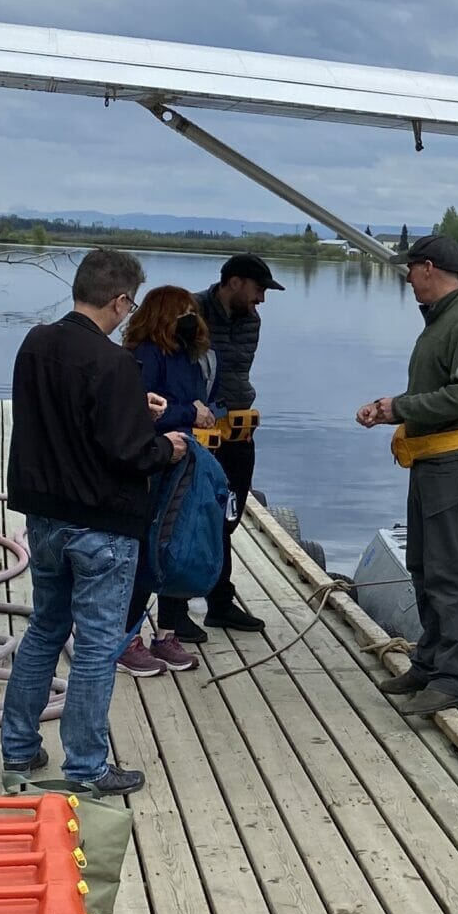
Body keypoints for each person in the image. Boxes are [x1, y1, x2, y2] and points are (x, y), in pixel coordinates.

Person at [0, 247, 187, 795]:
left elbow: (71, 414)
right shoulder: (114, 362)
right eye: (131, 305)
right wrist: (169, 446)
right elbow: (131, 453)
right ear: (121, 301)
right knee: (99, 646)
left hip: (44, 517)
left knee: (44, 629)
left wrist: (132, 404)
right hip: (101, 527)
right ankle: (86, 767)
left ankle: (18, 750)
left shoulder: (35, 344)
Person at [356, 235, 458, 719]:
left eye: (411, 269)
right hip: (430, 462)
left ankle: (452, 680)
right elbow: (436, 392)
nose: (407, 278)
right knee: (421, 564)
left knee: (448, 572)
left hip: (453, 466)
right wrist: (391, 409)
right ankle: (429, 664)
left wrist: (400, 408)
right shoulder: (440, 320)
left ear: (429, 268)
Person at [118, 285, 217, 674]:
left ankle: (168, 632)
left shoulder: (189, 356)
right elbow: (142, 408)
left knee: (179, 545)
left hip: (183, 462)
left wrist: (205, 412)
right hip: (154, 462)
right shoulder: (146, 354)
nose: (190, 319)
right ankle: (127, 638)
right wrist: (189, 413)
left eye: (193, 311)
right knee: (147, 548)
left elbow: (198, 402)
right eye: (182, 312)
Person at [193, 251, 282, 633]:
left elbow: (234, 373)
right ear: (234, 283)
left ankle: (219, 603)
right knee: (189, 517)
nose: (261, 299)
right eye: (258, 289)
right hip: (199, 433)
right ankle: (175, 611)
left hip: (238, 433)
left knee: (228, 517)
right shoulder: (191, 311)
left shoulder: (251, 321)